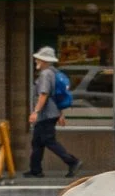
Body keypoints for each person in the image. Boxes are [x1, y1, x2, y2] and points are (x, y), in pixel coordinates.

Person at [26, 45, 80, 179]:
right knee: (37, 141)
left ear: (44, 61)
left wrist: (35, 112)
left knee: (48, 140)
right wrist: (60, 113)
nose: (36, 61)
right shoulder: (54, 72)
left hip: (46, 114)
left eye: (38, 59)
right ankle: (35, 169)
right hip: (51, 113)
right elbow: (57, 95)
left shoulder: (45, 74)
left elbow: (44, 94)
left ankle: (72, 161)